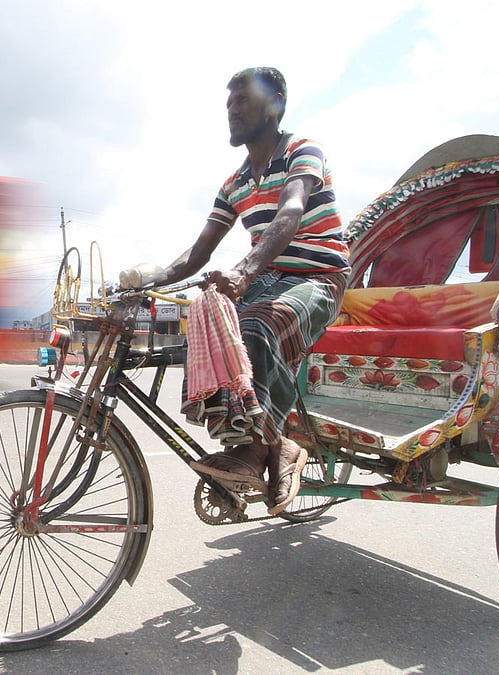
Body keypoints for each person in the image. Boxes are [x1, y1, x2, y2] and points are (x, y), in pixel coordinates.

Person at [123, 66, 350, 515]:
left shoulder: (303, 151)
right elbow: (198, 254)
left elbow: (290, 212)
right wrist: (141, 284)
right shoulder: (235, 184)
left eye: (243, 100)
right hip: (265, 279)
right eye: (229, 104)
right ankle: (262, 443)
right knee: (207, 332)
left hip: (318, 278)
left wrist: (244, 270)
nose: (232, 111)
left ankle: (264, 448)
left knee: (257, 326)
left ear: (277, 103)